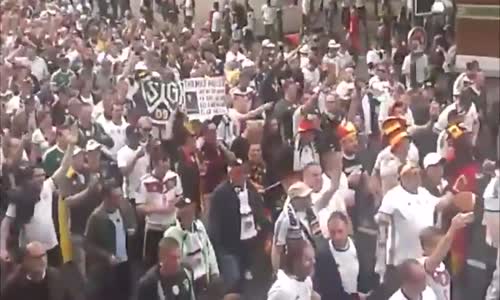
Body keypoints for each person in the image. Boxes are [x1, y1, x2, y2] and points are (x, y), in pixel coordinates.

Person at [375, 162, 454, 298]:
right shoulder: (393, 195)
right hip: (400, 263)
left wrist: (453, 192)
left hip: (422, 263)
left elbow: (440, 204)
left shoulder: (424, 193)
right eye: (413, 173)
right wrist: (380, 263)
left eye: (418, 172)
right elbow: (381, 224)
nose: (417, 176)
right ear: (402, 177)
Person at [208, 158, 269, 296]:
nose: (240, 176)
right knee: (234, 279)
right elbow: (215, 222)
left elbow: (259, 209)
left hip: (250, 243)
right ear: (230, 174)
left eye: (242, 173)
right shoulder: (220, 193)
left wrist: (264, 231)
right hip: (230, 245)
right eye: (236, 173)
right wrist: (218, 248)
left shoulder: (251, 189)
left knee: (250, 280)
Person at [84, 181, 137, 300]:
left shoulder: (124, 207)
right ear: (106, 197)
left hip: (125, 262)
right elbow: (87, 244)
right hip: (107, 268)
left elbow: (132, 220)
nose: (119, 199)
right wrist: (106, 256)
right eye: (115, 197)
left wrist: (132, 228)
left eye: (120, 196)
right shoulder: (96, 217)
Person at [163, 197, 221, 298]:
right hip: (187, 281)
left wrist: (215, 271)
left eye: (191, 211)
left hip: (204, 276)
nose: (190, 215)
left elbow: (208, 249)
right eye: (186, 212)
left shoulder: (199, 226)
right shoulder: (171, 234)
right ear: (179, 214)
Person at [136, 143, 182, 268]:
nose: (167, 164)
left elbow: (179, 195)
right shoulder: (145, 181)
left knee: (174, 263)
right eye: (163, 161)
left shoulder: (174, 177)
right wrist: (159, 209)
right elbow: (139, 207)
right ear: (155, 163)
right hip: (154, 229)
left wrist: (174, 205)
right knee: (152, 265)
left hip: (171, 227)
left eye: (168, 160)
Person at [314, 211, 376, 299]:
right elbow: (328, 289)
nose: (337, 237)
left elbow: (369, 274)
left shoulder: (360, 247)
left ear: (347, 228)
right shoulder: (323, 256)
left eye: (340, 231)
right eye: (333, 232)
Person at [418, 212, 474, 300]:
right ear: (426, 247)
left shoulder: (444, 265)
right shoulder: (421, 264)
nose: (444, 249)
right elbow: (438, 255)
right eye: (437, 245)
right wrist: (453, 227)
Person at [272, 181, 321, 273]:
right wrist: (278, 273)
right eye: (305, 197)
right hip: (297, 264)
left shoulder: (312, 212)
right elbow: (277, 250)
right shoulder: (285, 219)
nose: (309, 199)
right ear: (295, 199)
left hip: (315, 259)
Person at [0, 241, 75, 300]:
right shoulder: (14, 285)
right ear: (26, 260)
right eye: (36, 258)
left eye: (43, 256)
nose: (42, 261)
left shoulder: (58, 278)